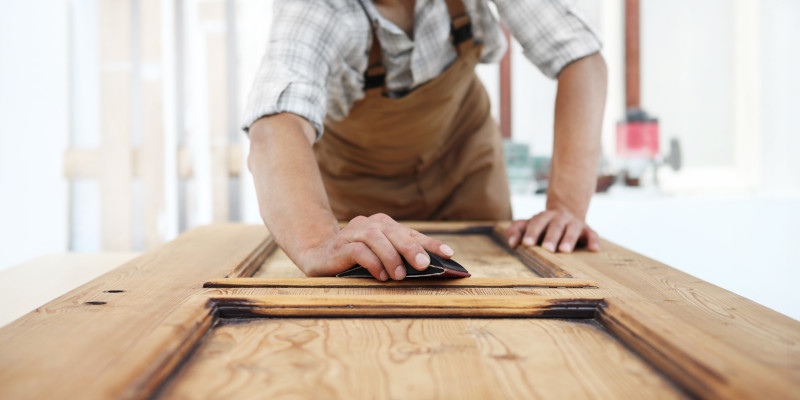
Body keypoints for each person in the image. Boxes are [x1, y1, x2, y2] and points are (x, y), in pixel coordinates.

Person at [244, 0, 607, 281]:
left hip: (465, 164)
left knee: (487, 294)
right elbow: (275, 126)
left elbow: (580, 60)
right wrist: (317, 242)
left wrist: (566, 210)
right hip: (357, 187)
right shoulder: (316, 7)